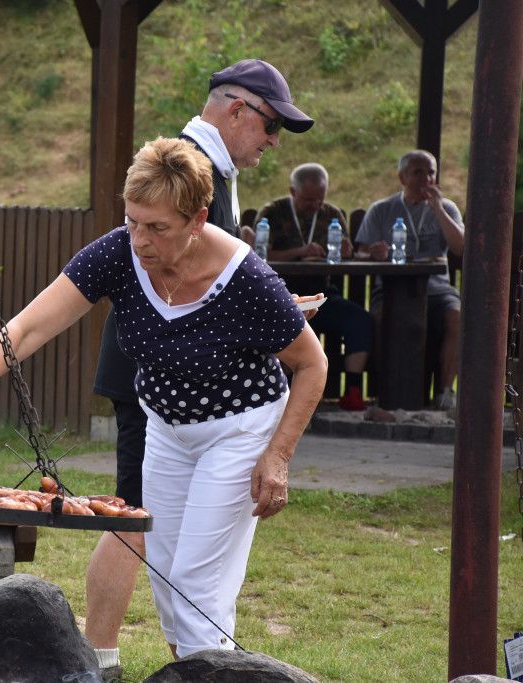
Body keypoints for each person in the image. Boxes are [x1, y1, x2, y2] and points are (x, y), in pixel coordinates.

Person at [0, 137, 327, 662]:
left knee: (196, 582)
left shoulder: (246, 279)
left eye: (157, 227)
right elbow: (25, 329)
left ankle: (212, 672)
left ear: (198, 219)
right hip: (165, 428)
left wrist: (277, 456)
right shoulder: (118, 252)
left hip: (239, 429)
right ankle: (201, 669)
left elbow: (312, 364)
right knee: (165, 574)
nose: (140, 239)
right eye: (133, 220)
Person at [85, 58, 315, 677]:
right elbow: (159, 275)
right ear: (237, 110)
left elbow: (214, 287)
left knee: (180, 564)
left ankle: (177, 662)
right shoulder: (190, 167)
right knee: (137, 522)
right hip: (158, 384)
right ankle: (102, 658)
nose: (273, 142)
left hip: (214, 399)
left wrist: (269, 307)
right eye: (271, 126)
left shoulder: (219, 168)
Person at [255, 163, 373, 411]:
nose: (315, 205)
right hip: (282, 295)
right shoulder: (272, 213)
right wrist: (299, 252)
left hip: (322, 296)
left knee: (360, 321)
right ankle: (279, 396)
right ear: (292, 192)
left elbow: (342, 254)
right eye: (309, 200)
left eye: (320, 199)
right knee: (278, 327)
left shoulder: (331, 214)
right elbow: (259, 256)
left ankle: (352, 390)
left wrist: (345, 253)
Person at [354, 149, 465, 411]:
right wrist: (374, 252)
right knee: (379, 320)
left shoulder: (446, 208)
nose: (427, 178)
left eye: (431, 172)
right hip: (392, 289)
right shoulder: (382, 209)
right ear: (402, 177)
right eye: (419, 172)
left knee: (457, 317)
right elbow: (359, 251)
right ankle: (385, 389)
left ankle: (445, 392)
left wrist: (437, 208)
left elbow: (461, 248)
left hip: (436, 289)